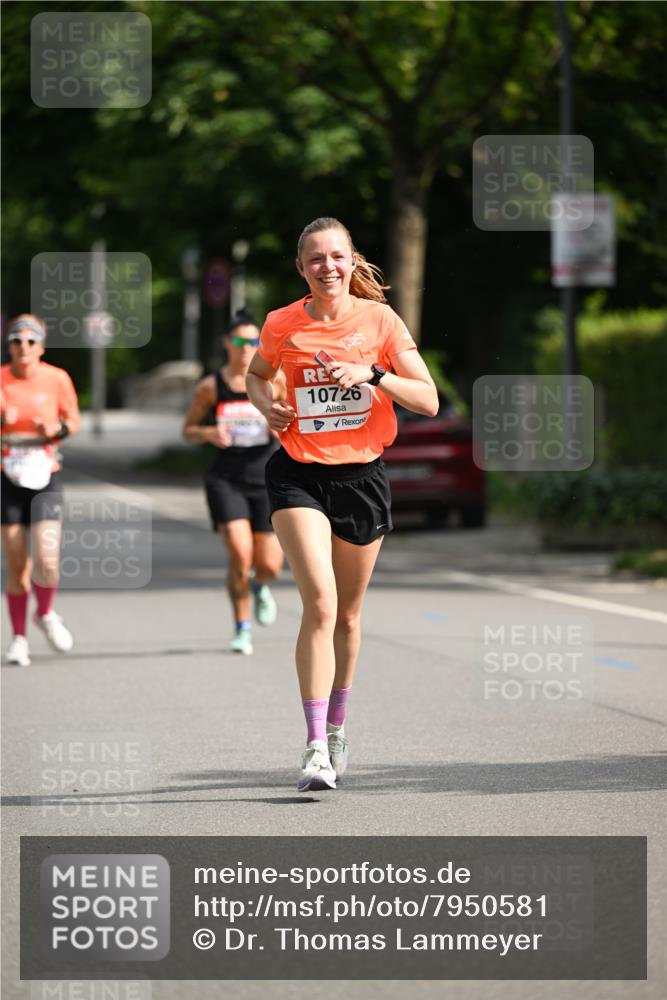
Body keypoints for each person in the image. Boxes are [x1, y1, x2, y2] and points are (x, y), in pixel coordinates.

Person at [246, 217, 438, 791]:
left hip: (361, 477)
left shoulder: (379, 320)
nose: (327, 267)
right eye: (315, 259)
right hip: (297, 473)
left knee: (349, 616)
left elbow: (427, 399)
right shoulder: (282, 323)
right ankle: (312, 749)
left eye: (336, 256)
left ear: (352, 261)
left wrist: (373, 374)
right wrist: (267, 408)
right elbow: (257, 377)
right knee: (322, 605)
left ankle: (336, 728)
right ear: (300, 268)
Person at [183, 309, 285, 655]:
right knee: (240, 556)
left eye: (254, 341)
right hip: (226, 479)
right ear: (227, 342)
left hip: (268, 478)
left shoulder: (276, 381)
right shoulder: (212, 386)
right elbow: (188, 430)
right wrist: (208, 432)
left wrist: (281, 425)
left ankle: (260, 587)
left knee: (269, 564)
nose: (246, 348)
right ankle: (242, 628)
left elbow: (295, 422)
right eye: (240, 341)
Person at [1, 314, 80, 666]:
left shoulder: (57, 378)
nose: (23, 347)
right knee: (18, 565)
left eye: (30, 341)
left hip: (45, 475)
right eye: (16, 341)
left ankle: (44, 613)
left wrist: (55, 429)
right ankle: (19, 638)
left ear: (41, 347)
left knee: (47, 561)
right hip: (7, 477)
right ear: (10, 346)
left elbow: (72, 421)